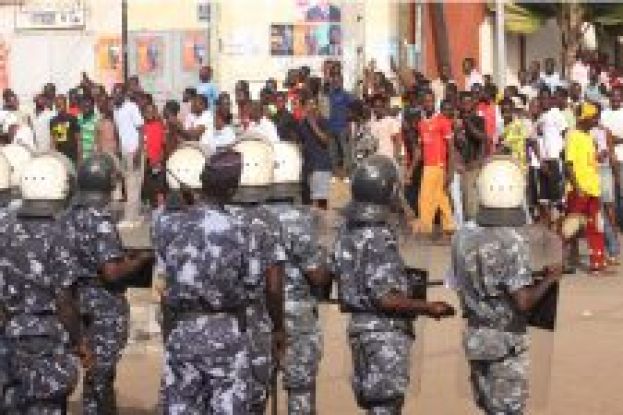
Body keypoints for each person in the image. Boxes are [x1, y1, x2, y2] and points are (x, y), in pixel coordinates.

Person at [330, 155, 455, 415]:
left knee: (375, 405)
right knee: (386, 408)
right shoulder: (378, 237)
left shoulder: (347, 230)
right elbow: (386, 298)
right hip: (384, 335)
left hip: (360, 329)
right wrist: (429, 307)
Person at [451, 156, 562, 415]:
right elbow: (523, 300)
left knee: (489, 408)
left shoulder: (462, 235)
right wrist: (549, 278)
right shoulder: (511, 240)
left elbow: (463, 279)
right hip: (505, 342)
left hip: (477, 337)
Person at [153, 148, 254, 413]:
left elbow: (162, 284)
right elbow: (252, 285)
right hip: (226, 332)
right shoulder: (240, 229)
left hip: (182, 331)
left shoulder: (167, 225)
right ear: (233, 189)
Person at [65, 153, 153, 414]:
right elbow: (111, 272)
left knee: (92, 371)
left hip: (72, 301)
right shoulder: (99, 218)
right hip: (102, 305)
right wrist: (140, 261)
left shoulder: (67, 215)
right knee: (100, 377)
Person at [2, 153, 90, 414]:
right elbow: (64, 301)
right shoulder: (62, 232)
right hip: (48, 340)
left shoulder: (3, 228)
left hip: (9, 336)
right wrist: (80, 342)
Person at [265, 144, 329, 414]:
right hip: (296, 317)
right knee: (300, 392)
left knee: (253, 393)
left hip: (257, 317)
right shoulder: (299, 220)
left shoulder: (250, 217)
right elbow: (317, 275)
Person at [565, 102, 607, 273]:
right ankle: (560, 261)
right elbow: (569, 164)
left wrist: (599, 157)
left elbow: (589, 161)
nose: (596, 121)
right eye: (594, 118)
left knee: (596, 226)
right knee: (571, 227)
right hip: (579, 189)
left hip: (593, 188)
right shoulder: (573, 136)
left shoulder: (589, 137)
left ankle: (597, 263)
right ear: (585, 118)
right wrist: (577, 188)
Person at [412, 90, 456, 235]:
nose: (428, 104)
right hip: (427, 165)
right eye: (425, 101)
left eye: (431, 101)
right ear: (422, 104)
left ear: (434, 102)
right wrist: (411, 169)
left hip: (437, 165)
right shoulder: (421, 124)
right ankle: (449, 225)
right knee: (440, 196)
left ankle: (425, 227)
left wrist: (450, 171)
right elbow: (420, 148)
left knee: (425, 197)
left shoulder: (443, 121)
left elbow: (450, 147)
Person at [112, 83, 145, 222]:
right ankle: (135, 215)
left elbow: (141, 129)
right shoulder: (115, 109)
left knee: (133, 184)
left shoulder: (132, 107)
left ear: (124, 94)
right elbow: (118, 131)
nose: (115, 95)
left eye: (118, 93)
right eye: (114, 93)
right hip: (124, 150)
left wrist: (139, 150)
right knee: (129, 184)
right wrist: (119, 148)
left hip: (134, 149)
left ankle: (130, 218)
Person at [454, 92, 487, 222]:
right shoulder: (455, 122)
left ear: (473, 104)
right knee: (460, 205)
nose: (466, 105)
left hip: (472, 166)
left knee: (472, 205)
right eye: (464, 102)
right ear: (460, 104)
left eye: (469, 102)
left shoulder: (479, 120)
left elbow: (481, 138)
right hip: (458, 168)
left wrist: (479, 161)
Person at [537, 94, 567, 225]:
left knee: (557, 196)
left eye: (546, 98)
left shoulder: (556, 114)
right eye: (542, 99)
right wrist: (542, 160)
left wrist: (564, 153)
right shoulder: (541, 117)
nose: (544, 101)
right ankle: (550, 226)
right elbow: (540, 140)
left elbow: (565, 132)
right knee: (545, 197)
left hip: (556, 158)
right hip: (545, 160)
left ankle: (560, 226)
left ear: (551, 100)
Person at [299, 95, 332, 209]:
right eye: (308, 104)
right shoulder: (302, 123)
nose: (312, 107)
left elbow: (326, 141)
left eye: (314, 104)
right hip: (308, 166)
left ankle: (322, 225)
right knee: (307, 201)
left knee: (321, 201)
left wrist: (313, 125)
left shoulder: (323, 121)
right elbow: (302, 143)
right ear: (304, 107)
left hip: (321, 166)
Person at [600, 87, 623, 227]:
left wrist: (611, 138)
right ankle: (614, 223)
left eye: (618, 96)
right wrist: (615, 139)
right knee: (610, 194)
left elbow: (608, 136)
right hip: (607, 158)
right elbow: (602, 135)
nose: (615, 99)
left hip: (622, 157)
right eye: (613, 96)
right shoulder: (604, 114)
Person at [327, 73, 355, 177]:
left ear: (342, 82)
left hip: (343, 128)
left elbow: (354, 109)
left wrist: (349, 124)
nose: (336, 82)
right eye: (334, 81)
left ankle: (347, 173)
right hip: (331, 129)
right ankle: (335, 173)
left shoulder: (347, 95)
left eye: (338, 80)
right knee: (333, 154)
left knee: (345, 153)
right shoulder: (329, 95)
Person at [143, 102, 166, 207]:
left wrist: (159, 159)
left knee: (159, 189)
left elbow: (163, 144)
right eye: (147, 111)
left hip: (157, 161)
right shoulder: (142, 127)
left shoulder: (160, 126)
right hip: (145, 161)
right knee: (148, 188)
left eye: (152, 111)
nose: (149, 114)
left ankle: (159, 210)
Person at [50, 94, 81, 163]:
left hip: (72, 155)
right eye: (57, 105)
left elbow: (78, 138)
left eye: (61, 105)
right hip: (60, 155)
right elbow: (53, 140)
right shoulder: (53, 121)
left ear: (65, 105)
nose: (59, 107)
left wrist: (79, 156)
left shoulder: (72, 119)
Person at [77, 94, 99, 161]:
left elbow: (97, 136)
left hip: (94, 154)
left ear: (92, 106)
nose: (86, 108)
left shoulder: (97, 118)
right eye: (84, 106)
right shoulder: (78, 118)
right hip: (82, 154)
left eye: (88, 106)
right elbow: (79, 138)